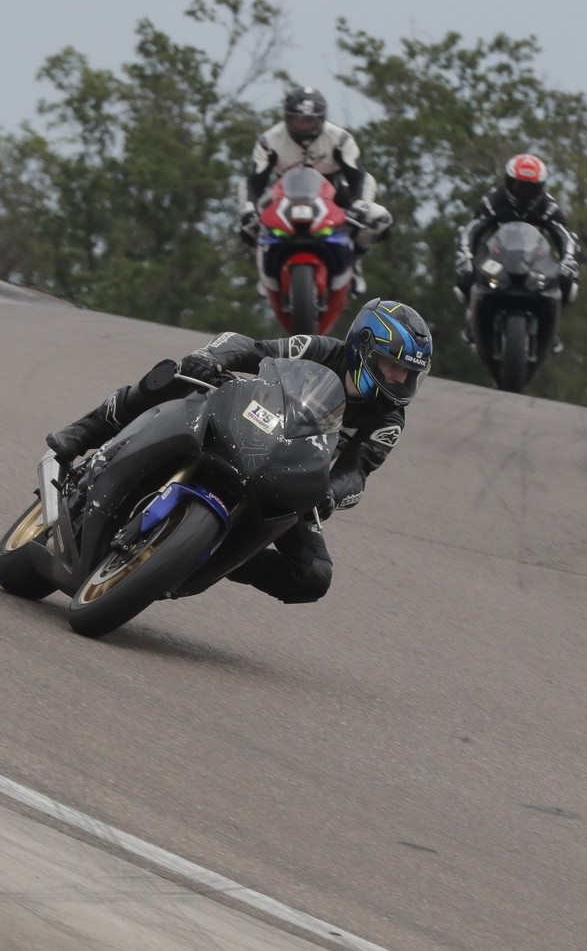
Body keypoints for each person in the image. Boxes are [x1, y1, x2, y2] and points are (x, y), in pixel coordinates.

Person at [45, 299, 433, 604]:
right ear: (364, 347)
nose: (399, 379)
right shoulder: (318, 349)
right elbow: (250, 348)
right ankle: (86, 430)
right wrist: (211, 359)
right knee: (177, 374)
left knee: (314, 576)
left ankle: (200, 554)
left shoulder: (388, 420)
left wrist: (330, 493)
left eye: (408, 373)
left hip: (289, 474)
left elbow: (357, 473)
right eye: (391, 366)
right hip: (248, 424)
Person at [239, 86, 394, 297]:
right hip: (284, 195)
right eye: (296, 120)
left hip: (333, 194)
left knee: (379, 218)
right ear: (286, 118)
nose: (302, 125)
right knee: (248, 222)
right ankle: (265, 265)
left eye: (309, 121)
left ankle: (354, 260)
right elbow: (255, 181)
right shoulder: (269, 141)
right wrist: (249, 210)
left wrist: (359, 203)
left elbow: (359, 176)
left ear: (321, 119)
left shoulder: (340, 139)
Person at [454, 152, 581, 307]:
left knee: (568, 283)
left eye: (531, 188)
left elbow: (564, 234)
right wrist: (465, 254)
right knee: (465, 278)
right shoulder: (493, 200)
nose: (525, 193)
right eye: (520, 186)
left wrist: (568, 259)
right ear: (509, 183)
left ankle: (552, 313)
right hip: (496, 260)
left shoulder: (548, 206)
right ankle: (473, 309)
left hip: (535, 263)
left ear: (540, 188)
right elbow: (472, 229)